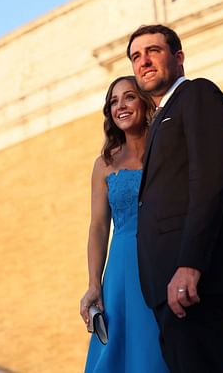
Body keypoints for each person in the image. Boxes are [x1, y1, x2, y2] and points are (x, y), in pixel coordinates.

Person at [126, 24, 223, 373]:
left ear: (178, 57)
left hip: (192, 278)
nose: (144, 62)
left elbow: (210, 182)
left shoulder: (198, 95)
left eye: (153, 51)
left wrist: (190, 265)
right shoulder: (162, 117)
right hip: (167, 284)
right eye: (136, 56)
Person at [80, 76, 169, 373]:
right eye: (114, 101)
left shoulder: (167, 150)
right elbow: (98, 227)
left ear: (144, 102)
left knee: (160, 348)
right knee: (120, 354)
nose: (121, 106)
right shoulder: (104, 163)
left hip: (163, 259)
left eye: (129, 97)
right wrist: (94, 283)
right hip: (121, 268)